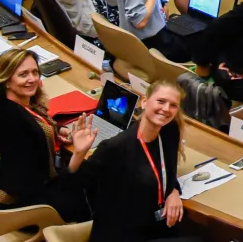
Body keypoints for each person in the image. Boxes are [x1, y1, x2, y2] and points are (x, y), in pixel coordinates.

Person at [0, 49, 93, 214]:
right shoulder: (8, 114)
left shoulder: (26, 105)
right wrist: (78, 153)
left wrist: (60, 131)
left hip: (28, 187)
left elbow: (39, 121)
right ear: (6, 81)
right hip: (26, 204)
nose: (32, 79)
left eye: (35, 72)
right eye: (23, 74)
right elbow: (1, 115)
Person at [80, 79, 187, 242]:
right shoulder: (116, 146)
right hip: (122, 233)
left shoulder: (169, 131)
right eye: (161, 101)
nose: (166, 109)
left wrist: (173, 190)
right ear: (144, 102)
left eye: (173, 105)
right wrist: (79, 154)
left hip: (155, 225)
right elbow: (80, 184)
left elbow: (167, 171)